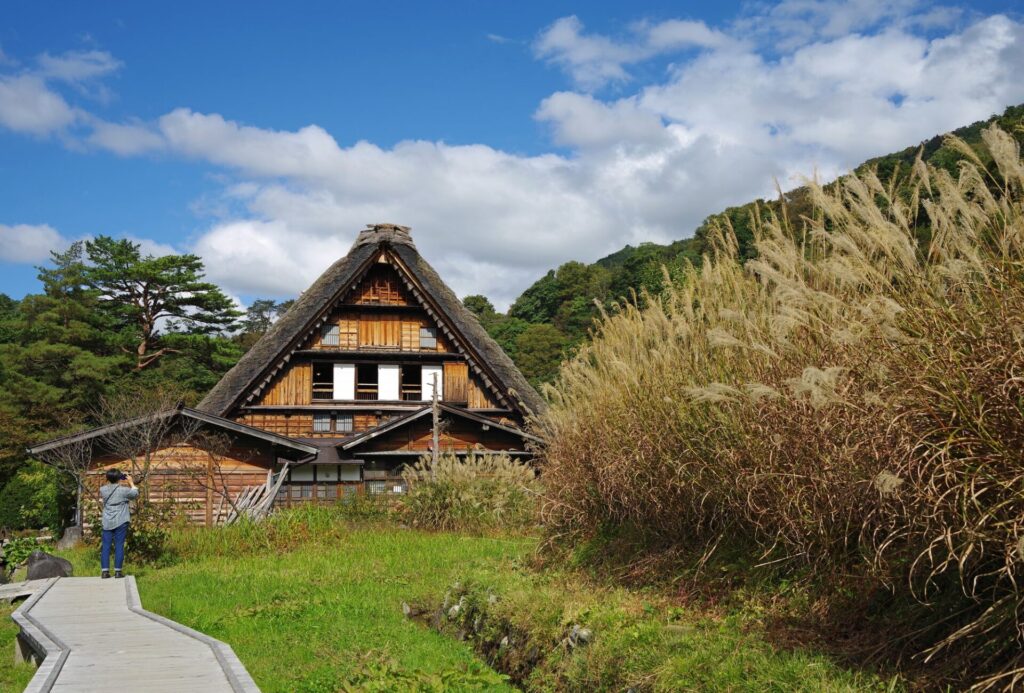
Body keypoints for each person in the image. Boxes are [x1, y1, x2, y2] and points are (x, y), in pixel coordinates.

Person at [99, 469, 139, 579]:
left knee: (106, 546)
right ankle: (117, 572)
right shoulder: (124, 490)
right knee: (119, 545)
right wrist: (130, 482)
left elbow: (109, 487)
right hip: (121, 521)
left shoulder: (103, 490)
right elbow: (135, 493)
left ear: (107, 478)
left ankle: (105, 572)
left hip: (107, 521)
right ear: (119, 478)